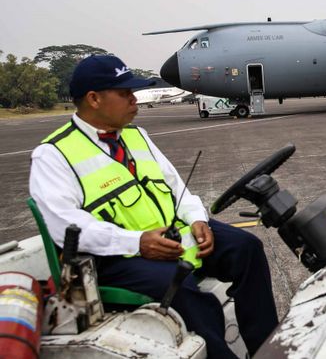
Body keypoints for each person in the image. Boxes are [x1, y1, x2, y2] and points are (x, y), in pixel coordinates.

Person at [29, 54, 278, 358]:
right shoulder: (54, 155)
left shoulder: (137, 136)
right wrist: (138, 242)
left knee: (247, 249)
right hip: (114, 258)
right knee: (183, 290)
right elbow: (66, 227)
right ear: (94, 99)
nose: (134, 100)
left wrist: (198, 220)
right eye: (125, 94)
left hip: (169, 238)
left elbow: (177, 188)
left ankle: (268, 350)